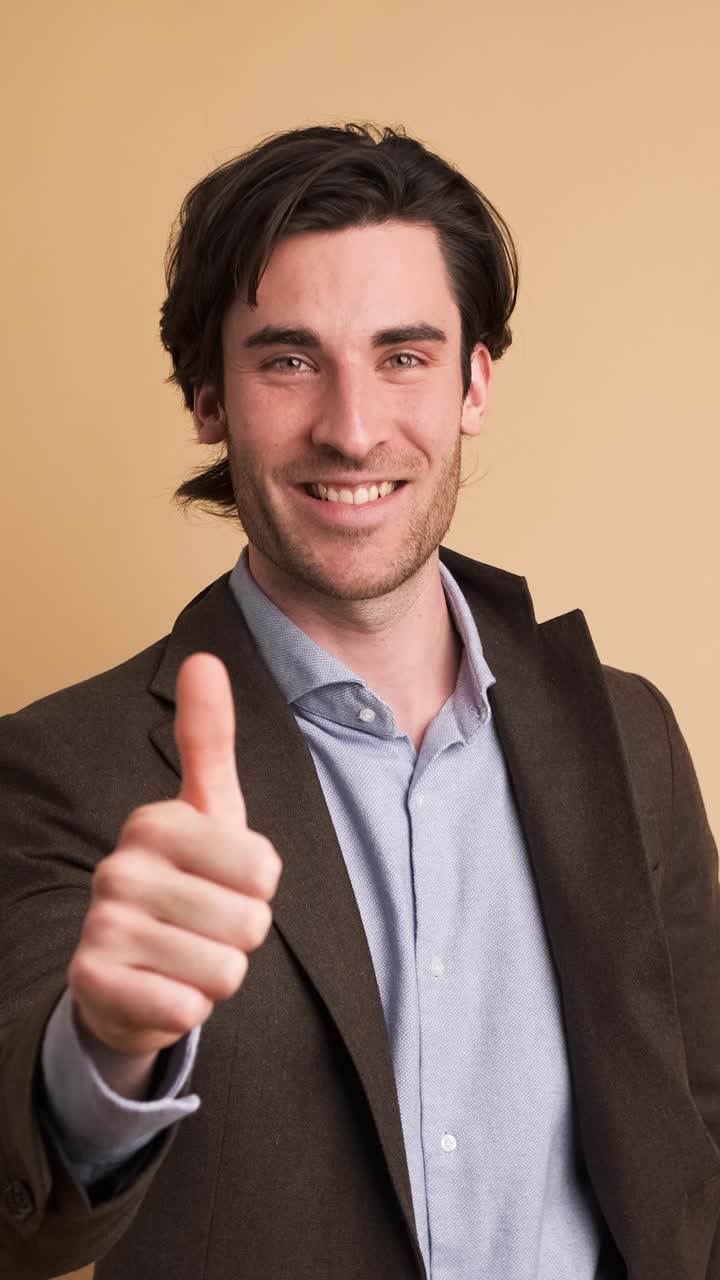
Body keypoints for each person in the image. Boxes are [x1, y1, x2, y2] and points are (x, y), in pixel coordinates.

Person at [0, 122, 718, 1280]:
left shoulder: (629, 737)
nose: (351, 426)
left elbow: (698, 1129)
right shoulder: (60, 765)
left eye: (404, 355)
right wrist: (107, 1046)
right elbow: (25, 1209)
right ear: (206, 396)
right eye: (287, 359)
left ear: (476, 380)